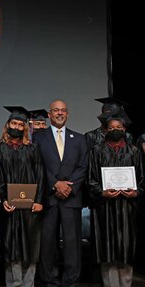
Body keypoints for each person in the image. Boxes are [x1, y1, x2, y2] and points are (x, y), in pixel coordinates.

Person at [32, 100, 88, 287]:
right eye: (56, 110)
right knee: (48, 242)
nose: (60, 113)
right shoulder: (38, 138)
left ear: (68, 114)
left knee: (72, 242)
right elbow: (37, 165)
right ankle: (50, 279)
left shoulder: (79, 139)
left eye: (63, 110)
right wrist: (55, 183)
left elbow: (83, 166)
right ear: (49, 114)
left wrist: (68, 187)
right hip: (48, 197)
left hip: (71, 198)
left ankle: (71, 280)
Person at [87, 111, 144, 287]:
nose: (115, 130)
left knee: (126, 250)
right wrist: (101, 192)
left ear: (125, 129)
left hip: (127, 208)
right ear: (105, 130)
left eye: (119, 127)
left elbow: (142, 178)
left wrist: (136, 192)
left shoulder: (133, 151)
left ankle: (126, 284)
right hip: (105, 208)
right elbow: (90, 179)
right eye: (111, 128)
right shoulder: (97, 151)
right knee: (107, 250)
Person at [0, 106, 45, 287]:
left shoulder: (32, 149)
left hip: (30, 209)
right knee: (11, 248)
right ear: (7, 125)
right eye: (13, 123)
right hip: (9, 209)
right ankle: (14, 284)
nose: (17, 127)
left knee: (30, 247)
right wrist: (3, 199)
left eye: (20, 124)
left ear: (25, 128)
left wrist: (38, 201)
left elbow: (40, 175)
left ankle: (28, 284)